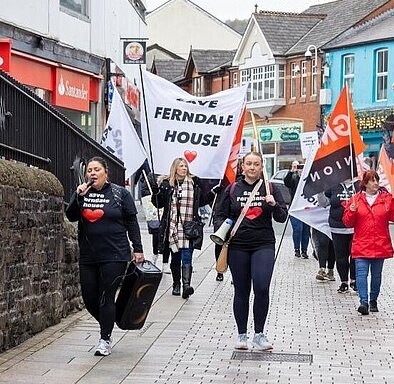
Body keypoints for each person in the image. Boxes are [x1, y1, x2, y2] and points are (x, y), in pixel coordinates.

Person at [65, 156, 144, 356]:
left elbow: (132, 223)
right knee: (89, 297)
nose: (92, 173)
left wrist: (138, 248)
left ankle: (104, 338)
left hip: (115, 254)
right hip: (89, 254)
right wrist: (78, 196)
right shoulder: (83, 192)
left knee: (105, 296)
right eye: (90, 170)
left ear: (105, 173)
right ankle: (109, 321)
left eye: (97, 169)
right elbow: (71, 216)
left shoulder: (120, 194)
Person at [214, 152, 287, 351]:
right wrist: (223, 229)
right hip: (238, 246)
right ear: (242, 167)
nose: (252, 167)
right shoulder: (233, 189)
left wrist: (274, 204)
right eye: (249, 164)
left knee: (262, 287)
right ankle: (241, 334)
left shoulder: (270, 188)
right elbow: (219, 216)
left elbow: (282, 217)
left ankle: (260, 334)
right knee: (242, 290)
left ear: (262, 166)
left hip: (263, 244)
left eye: (256, 164)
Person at [153, 158, 214, 298]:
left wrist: (212, 193)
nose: (184, 168)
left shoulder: (194, 183)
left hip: (189, 225)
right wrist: (157, 192)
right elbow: (158, 203)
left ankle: (186, 285)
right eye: (181, 166)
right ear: (175, 168)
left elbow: (201, 201)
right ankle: (176, 284)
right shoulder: (167, 184)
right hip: (173, 226)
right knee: (175, 257)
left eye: (185, 166)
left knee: (187, 255)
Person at [342, 170, 394, 315]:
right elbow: (347, 223)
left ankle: (373, 300)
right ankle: (364, 302)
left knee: (376, 276)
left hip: (379, 244)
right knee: (361, 274)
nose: (375, 183)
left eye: (377, 180)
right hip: (361, 244)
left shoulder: (386, 198)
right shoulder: (356, 199)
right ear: (365, 183)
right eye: (372, 180)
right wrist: (351, 211)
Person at [319, 180, 358, 293]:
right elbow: (324, 203)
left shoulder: (358, 185)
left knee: (354, 255)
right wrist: (320, 192)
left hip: (355, 228)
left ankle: (354, 280)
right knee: (341, 256)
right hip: (337, 227)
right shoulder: (333, 185)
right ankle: (344, 282)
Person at [284, 161, 310, 258]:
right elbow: (287, 182)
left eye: (302, 167)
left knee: (305, 230)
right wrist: (291, 171)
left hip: (306, 209)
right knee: (297, 229)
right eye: (298, 167)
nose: (300, 169)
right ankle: (297, 249)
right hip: (295, 208)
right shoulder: (294, 178)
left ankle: (304, 250)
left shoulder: (308, 179)